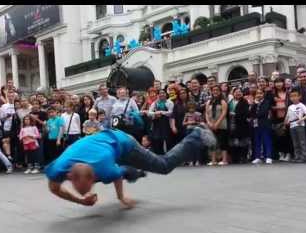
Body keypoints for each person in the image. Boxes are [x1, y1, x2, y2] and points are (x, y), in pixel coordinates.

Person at [45, 126, 216, 208]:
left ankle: (196, 135)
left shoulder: (105, 168)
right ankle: (136, 172)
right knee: (123, 171)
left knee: (163, 166)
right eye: (81, 189)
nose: (84, 192)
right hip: (104, 146)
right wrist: (81, 200)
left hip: (125, 144)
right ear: (69, 176)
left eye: (86, 188)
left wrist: (121, 197)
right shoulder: (58, 168)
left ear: (93, 178)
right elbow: (54, 188)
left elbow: (115, 176)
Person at [285, 89, 306, 163]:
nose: (293, 98)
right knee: (295, 142)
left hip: (299, 125)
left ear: (299, 96)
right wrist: (286, 122)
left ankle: (304, 156)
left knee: (302, 141)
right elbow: (287, 116)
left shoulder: (301, 105)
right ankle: (297, 156)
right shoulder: (290, 106)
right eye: (291, 96)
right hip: (292, 125)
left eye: (295, 96)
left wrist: (301, 119)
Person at [206, 85, 229, 166]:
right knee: (212, 143)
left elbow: (224, 113)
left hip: (221, 125)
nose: (215, 91)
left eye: (217, 90)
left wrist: (217, 123)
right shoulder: (209, 102)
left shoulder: (223, 101)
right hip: (211, 125)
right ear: (212, 91)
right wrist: (208, 122)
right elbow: (206, 113)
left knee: (223, 142)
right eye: (214, 90)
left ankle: (224, 159)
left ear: (220, 91)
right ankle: (213, 160)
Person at [250, 89, 273, 164]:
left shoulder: (266, 102)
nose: (259, 95)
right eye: (257, 93)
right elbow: (250, 113)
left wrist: (255, 115)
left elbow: (263, 112)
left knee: (266, 140)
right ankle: (258, 157)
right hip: (256, 124)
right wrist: (254, 104)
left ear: (263, 94)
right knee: (257, 141)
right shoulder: (254, 103)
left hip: (264, 124)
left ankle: (268, 157)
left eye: (260, 93)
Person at [148, 89, 174, 154]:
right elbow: (149, 113)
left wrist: (161, 112)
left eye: (163, 93)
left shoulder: (169, 102)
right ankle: (160, 156)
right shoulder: (155, 103)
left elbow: (171, 112)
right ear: (158, 95)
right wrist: (155, 114)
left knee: (168, 140)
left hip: (167, 124)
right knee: (157, 140)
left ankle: (169, 156)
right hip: (157, 124)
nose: (162, 94)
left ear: (166, 94)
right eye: (160, 93)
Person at [228, 88, 251, 164]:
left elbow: (246, 113)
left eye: (240, 92)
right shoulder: (230, 102)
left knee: (243, 142)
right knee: (233, 142)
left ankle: (243, 157)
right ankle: (235, 158)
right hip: (232, 123)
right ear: (233, 93)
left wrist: (235, 114)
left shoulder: (244, 101)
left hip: (242, 124)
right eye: (236, 92)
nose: (238, 93)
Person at [272, 77, 291, 162]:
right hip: (277, 118)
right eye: (276, 82)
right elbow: (270, 106)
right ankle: (282, 153)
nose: (278, 84)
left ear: (283, 83)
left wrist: (285, 107)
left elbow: (291, 104)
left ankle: (288, 153)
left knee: (287, 136)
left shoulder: (288, 93)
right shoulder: (273, 94)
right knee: (279, 137)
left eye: (280, 82)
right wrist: (278, 107)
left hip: (287, 117)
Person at [0, 90, 17, 161]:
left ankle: (16, 161)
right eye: (9, 96)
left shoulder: (18, 104)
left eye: (13, 96)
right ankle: (9, 158)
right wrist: (7, 116)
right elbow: (1, 119)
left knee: (15, 145)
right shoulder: (4, 106)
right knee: (7, 142)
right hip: (7, 127)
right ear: (7, 97)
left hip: (16, 128)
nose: (11, 97)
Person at [182, 101, 203, 165]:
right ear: (188, 108)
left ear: (195, 108)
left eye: (193, 108)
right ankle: (190, 160)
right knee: (189, 146)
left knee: (197, 145)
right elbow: (183, 123)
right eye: (190, 108)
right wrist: (189, 123)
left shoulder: (198, 114)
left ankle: (197, 160)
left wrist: (196, 122)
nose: (191, 109)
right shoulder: (187, 114)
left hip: (196, 130)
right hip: (189, 130)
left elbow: (201, 123)